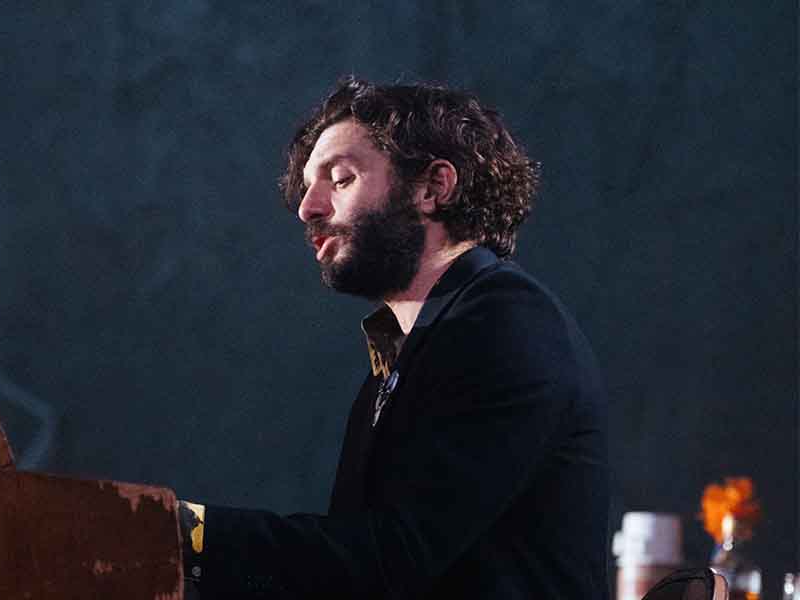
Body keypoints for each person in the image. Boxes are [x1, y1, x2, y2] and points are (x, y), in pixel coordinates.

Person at [177, 77, 610, 599]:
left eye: (341, 179)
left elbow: (390, 558)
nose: (307, 207)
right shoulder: (408, 348)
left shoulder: (505, 323)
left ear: (432, 188)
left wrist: (174, 530)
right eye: (308, 186)